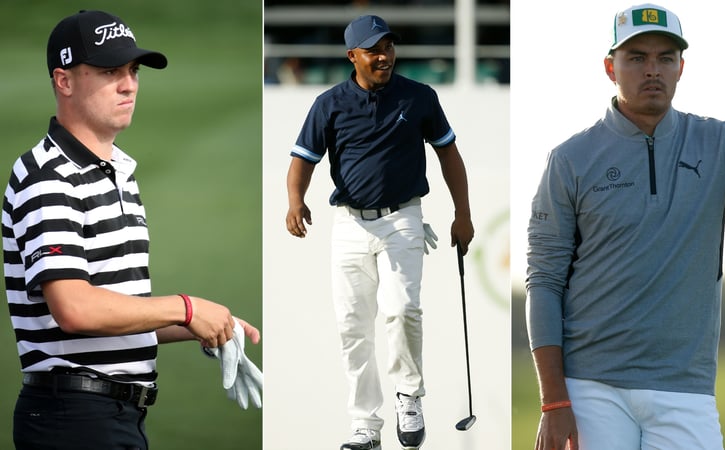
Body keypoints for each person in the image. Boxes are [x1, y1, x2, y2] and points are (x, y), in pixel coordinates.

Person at [526, 3, 725, 449]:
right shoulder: (569, 159)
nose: (652, 70)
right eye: (636, 57)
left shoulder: (721, 142)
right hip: (591, 386)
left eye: (664, 58)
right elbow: (545, 280)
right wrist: (554, 402)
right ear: (610, 67)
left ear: (681, 68)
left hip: (684, 388)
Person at [2, 10, 262, 450]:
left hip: (112, 418)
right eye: (109, 71)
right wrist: (186, 308)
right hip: (72, 419)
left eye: (133, 70)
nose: (129, 84)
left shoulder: (117, 171)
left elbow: (114, 313)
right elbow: (76, 309)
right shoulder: (48, 175)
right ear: (64, 81)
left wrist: (204, 325)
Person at [285, 14, 474, 450]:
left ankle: (409, 396)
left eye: (388, 47)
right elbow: (302, 161)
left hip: (403, 219)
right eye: (374, 50)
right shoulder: (329, 103)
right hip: (349, 224)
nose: (384, 56)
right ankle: (365, 425)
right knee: (353, 326)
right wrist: (296, 201)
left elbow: (450, 156)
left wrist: (462, 213)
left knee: (403, 308)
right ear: (353, 56)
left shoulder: (420, 97)